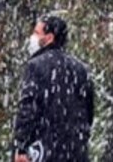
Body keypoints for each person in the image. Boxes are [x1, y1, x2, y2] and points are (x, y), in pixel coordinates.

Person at [13, 14, 95, 162]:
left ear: (49, 37)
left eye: (37, 33)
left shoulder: (36, 66)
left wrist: (21, 146)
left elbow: (28, 109)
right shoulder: (81, 69)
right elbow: (89, 111)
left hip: (45, 150)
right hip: (76, 152)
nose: (32, 38)